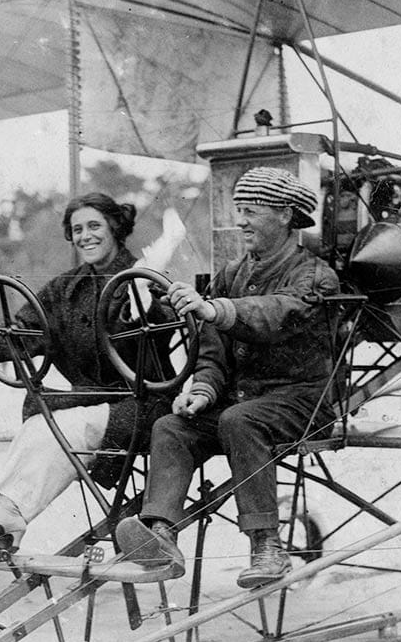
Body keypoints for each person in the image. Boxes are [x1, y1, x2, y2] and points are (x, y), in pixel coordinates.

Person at [115, 167, 340, 588]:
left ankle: (267, 548)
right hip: (244, 402)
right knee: (172, 426)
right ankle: (160, 533)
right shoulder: (234, 273)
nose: (240, 221)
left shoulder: (314, 276)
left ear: (286, 215)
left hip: (303, 401)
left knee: (238, 420)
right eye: (239, 210)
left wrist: (213, 309)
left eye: (250, 211)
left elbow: (276, 314)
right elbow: (214, 352)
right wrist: (201, 390)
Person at [0, 192, 174, 557]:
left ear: (115, 228)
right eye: (76, 229)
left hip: (144, 407)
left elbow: (168, 331)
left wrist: (148, 308)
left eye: (94, 226)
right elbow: (19, 336)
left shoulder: (145, 279)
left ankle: (4, 526)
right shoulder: (64, 290)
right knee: (42, 425)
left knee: (60, 427)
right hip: (90, 404)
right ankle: (3, 525)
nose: (85, 235)